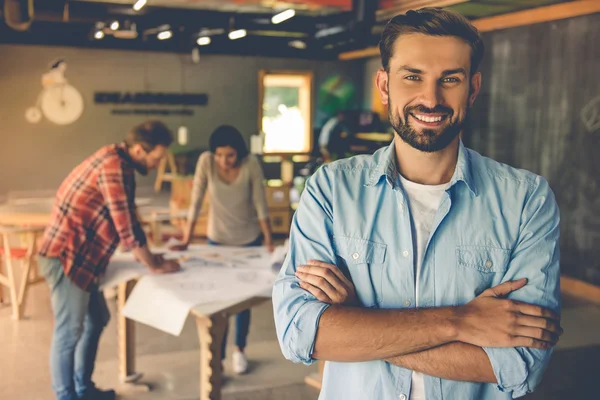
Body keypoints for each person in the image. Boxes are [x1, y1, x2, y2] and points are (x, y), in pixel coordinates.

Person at [273, 8, 562, 400]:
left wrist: (361, 322)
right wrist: (461, 322)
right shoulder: (330, 190)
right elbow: (300, 333)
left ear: (473, 88)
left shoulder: (527, 200)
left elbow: (520, 365)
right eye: (413, 76)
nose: (431, 97)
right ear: (384, 85)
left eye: (450, 79)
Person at [38, 120, 181, 400]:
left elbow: (131, 218)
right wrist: (154, 265)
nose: (157, 164)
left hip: (85, 260)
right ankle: (67, 396)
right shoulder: (113, 166)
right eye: (157, 158)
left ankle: (83, 388)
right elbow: (125, 229)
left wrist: (152, 256)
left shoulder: (121, 164)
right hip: (67, 257)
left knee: (98, 318)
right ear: (139, 150)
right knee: (69, 332)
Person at [172, 124, 274, 374]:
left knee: (242, 303)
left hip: (248, 240)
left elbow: (261, 205)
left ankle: (239, 350)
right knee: (219, 302)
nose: (223, 161)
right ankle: (215, 359)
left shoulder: (250, 165)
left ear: (239, 153)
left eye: (229, 155)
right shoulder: (206, 163)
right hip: (217, 242)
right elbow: (196, 199)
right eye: (219, 155)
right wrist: (186, 237)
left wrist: (269, 240)